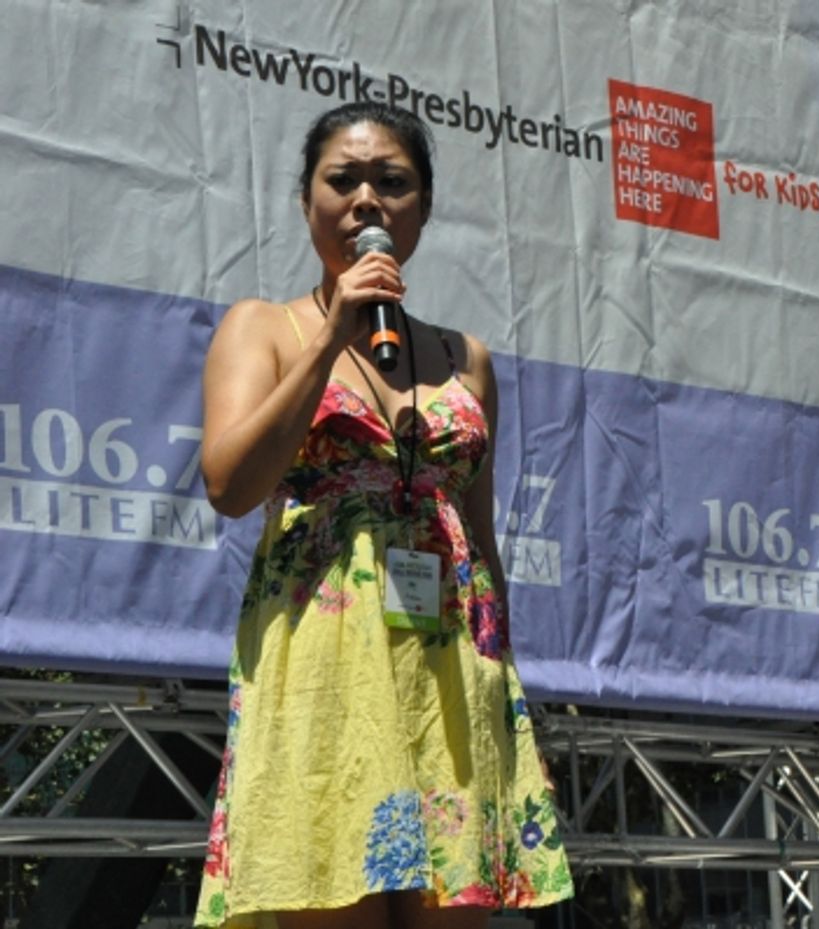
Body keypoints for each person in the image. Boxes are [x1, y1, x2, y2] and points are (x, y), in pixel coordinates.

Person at [194, 101, 573, 928]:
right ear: (308, 203)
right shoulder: (263, 328)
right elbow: (230, 482)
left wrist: (500, 685)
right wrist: (331, 336)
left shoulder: (464, 358)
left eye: (392, 182)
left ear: (423, 211)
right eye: (344, 180)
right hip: (326, 668)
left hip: (449, 672)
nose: (367, 199)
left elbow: (480, 534)